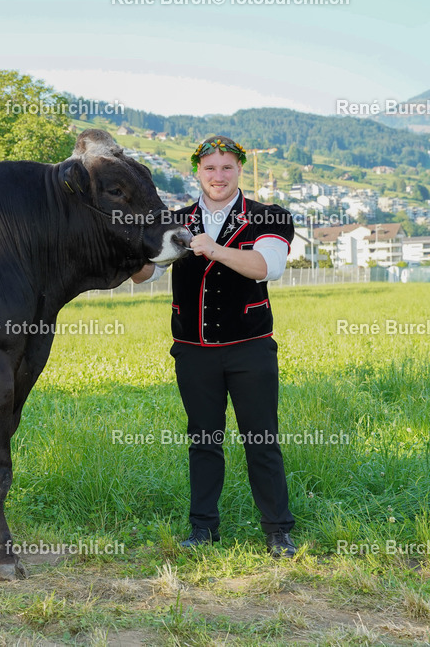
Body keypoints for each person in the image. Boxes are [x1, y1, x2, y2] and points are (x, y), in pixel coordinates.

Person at [132, 135, 297, 557]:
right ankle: (202, 530)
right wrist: (128, 247)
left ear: (239, 170)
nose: (218, 176)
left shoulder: (267, 217)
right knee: (203, 440)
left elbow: (267, 267)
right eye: (210, 168)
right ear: (197, 172)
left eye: (226, 168)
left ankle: (278, 530)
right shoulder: (177, 220)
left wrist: (215, 249)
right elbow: (145, 275)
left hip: (250, 349)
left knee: (261, 440)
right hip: (193, 349)